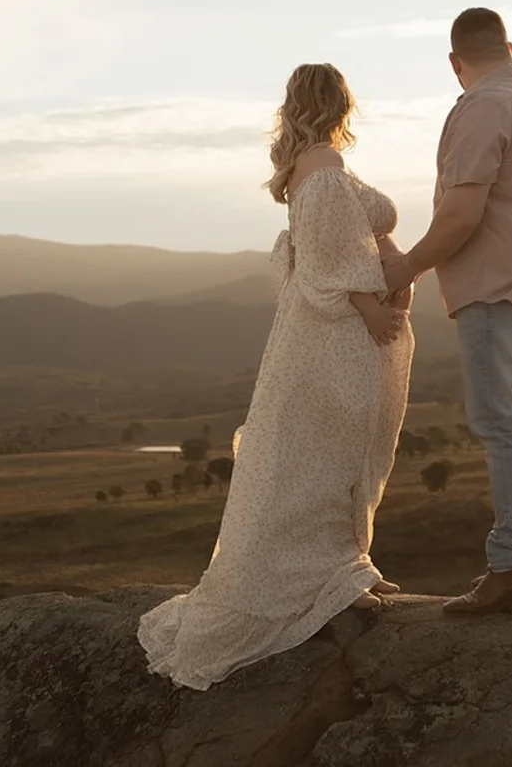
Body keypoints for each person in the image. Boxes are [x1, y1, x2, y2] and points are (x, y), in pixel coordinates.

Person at [138, 63, 415, 689]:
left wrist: (391, 280)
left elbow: (343, 244)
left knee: (327, 456)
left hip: (326, 334)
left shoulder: (314, 166)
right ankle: (322, 579)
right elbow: (325, 259)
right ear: (342, 102)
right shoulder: (321, 170)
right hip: (336, 337)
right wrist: (373, 304)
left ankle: (343, 569)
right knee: (324, 455)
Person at [383, 8, 512, 616]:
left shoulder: (481, 106)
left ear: (454, 62)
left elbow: (463, 215)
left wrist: (406, 266)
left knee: (502, 425)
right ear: (509, 46)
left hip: (499, 286)